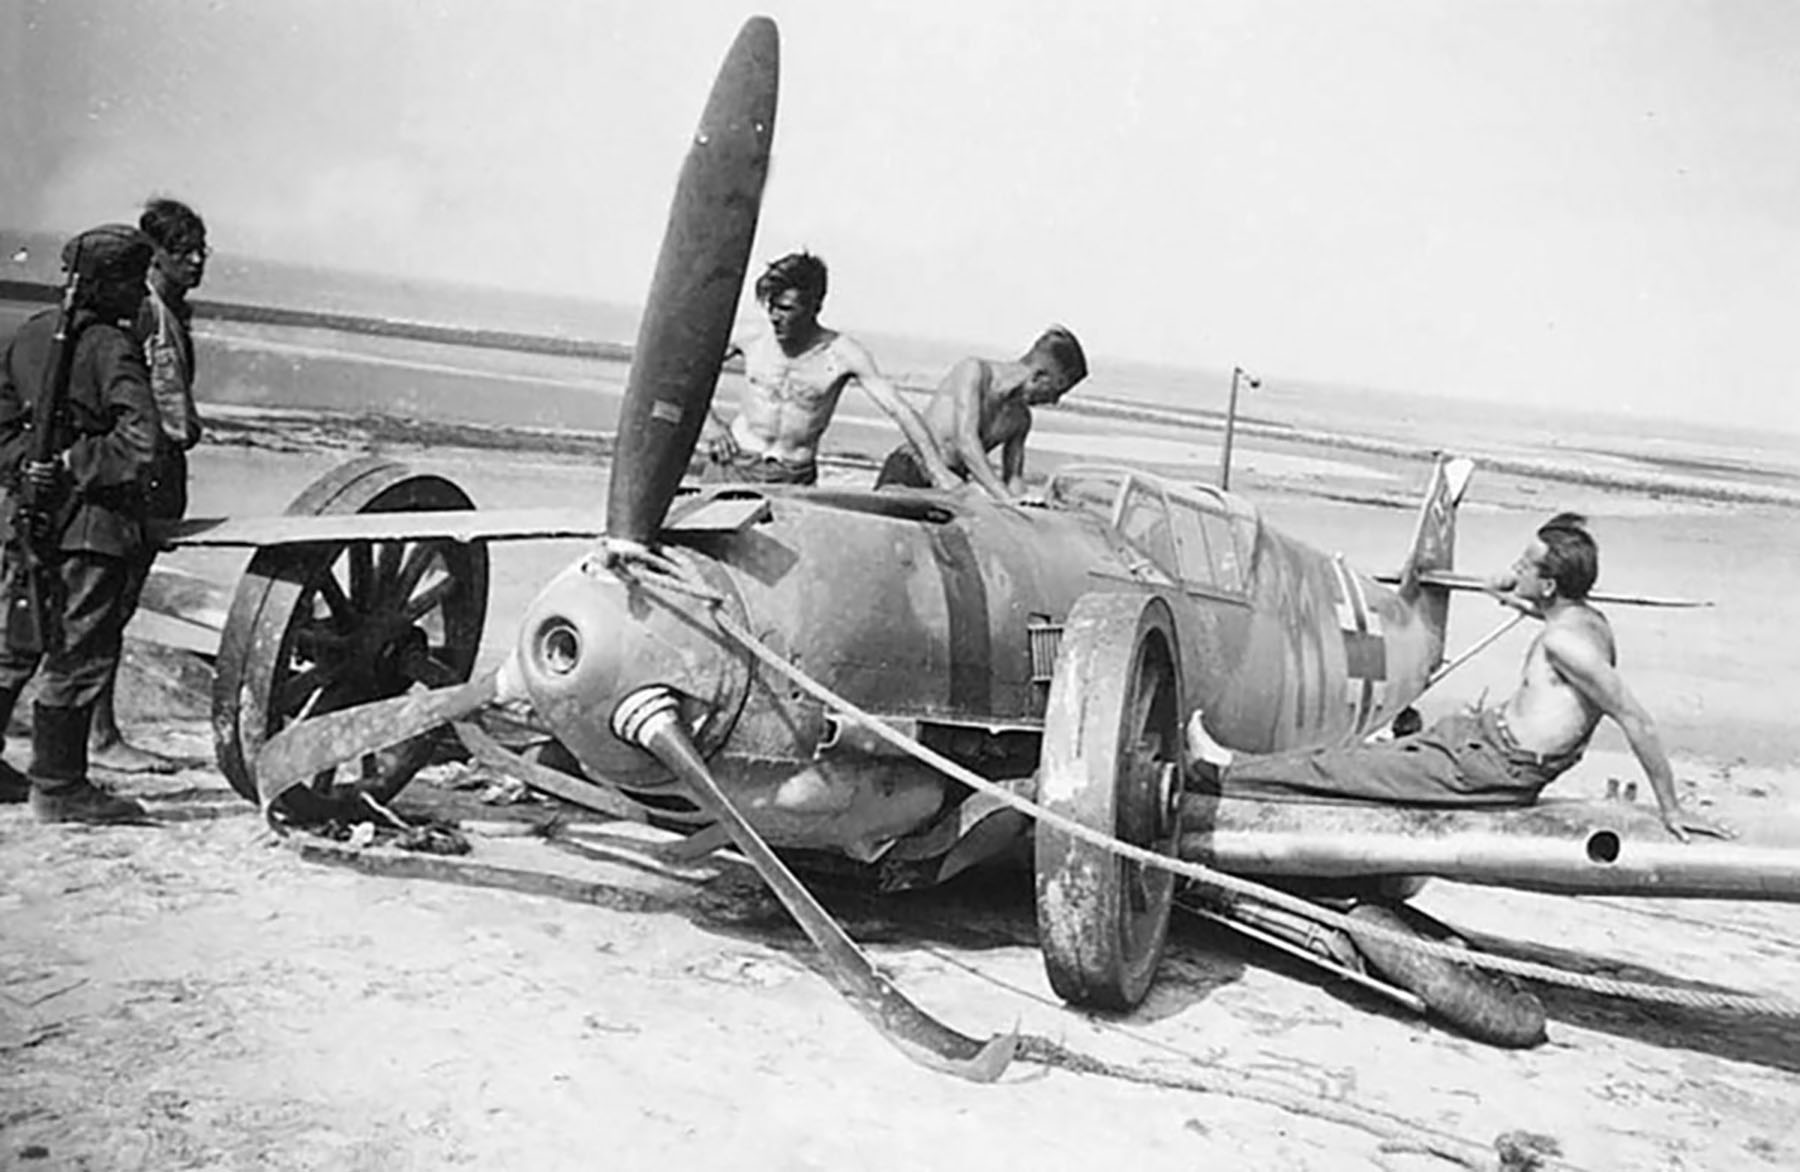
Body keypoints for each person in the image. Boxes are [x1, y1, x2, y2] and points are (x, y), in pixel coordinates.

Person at [1186, 513, 1732, 842]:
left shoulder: (1568, 644)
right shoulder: (1583, 619)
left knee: (1344, 770)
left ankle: (1220, 773)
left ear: (1548, 585)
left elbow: (1636, 720)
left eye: (1525, 563)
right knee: (1361, 760)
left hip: (1488, 769)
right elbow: (1531, 605)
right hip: (1478, 746)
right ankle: (1236, 767)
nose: (1515, 567)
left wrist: (1670, 808)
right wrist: (1504, 587)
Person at [0, 224, 161, 823]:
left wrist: (31, 466)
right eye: (133, 281)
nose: (141, 293)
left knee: (13, 644)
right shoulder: (110, 347)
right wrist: (69, 464)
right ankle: (60, 786)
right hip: (91, 529)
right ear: (107, 284)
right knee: (78, 653)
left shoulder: (31, 334)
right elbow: (142, 443)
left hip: (29, 517)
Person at [82, 197, 209, 774]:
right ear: (154, 256)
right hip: (142, 473)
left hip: (144, 470)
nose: (196, 261)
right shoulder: (151, 315)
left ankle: (95, 731)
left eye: (201, 250)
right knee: (110, 604)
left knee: (111, 604)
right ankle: (100, 736)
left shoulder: (161, 311)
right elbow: (165, 409)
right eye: (183, 251)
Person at [702, 251, 956, 488]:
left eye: (786, 308)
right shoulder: (750, 338)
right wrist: (711, 425)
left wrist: (937, 470)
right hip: (734, 462)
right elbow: (687, 377)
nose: (775, 317)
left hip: (792, 475)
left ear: (815, 307)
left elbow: (899, 409)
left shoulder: (843, 353)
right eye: (772, 306)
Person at [874, 325, 1087, 502]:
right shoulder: (974, 372)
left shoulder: (1020, 420)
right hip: (913, 467)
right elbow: (966, 442)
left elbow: (1013, 478)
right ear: (1039, 376)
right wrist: (1004, 498)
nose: (1054, 401)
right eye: (1057, 391)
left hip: (953, 483)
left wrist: (1026, 502)